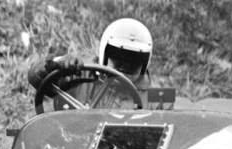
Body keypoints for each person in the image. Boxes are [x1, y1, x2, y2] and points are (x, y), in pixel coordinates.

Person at [27, 18, 156, 110]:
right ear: (104, 57)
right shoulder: (80, 76)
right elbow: (35, 78)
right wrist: (55, 64)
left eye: (131, 67)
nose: (121, 72)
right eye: (118, 64)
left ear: (143, 66)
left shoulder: (154, 99)